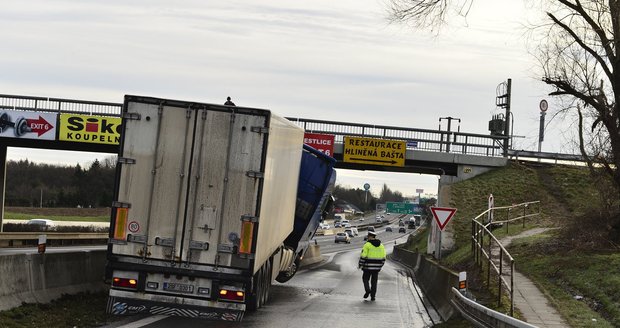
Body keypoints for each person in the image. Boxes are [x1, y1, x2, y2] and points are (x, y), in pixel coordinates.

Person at [359, 230, 386, 301]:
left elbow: (363, 256)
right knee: (374, 282)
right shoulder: (381, 246)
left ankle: (368, 290)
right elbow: (384, 258)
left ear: (370, 237)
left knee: (365, 279)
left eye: (368, 236)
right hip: (376, 268)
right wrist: (380, 266)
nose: (367, 238)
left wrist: (360, 264)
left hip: (367, 267)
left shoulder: (367, 245)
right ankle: (373, 296)